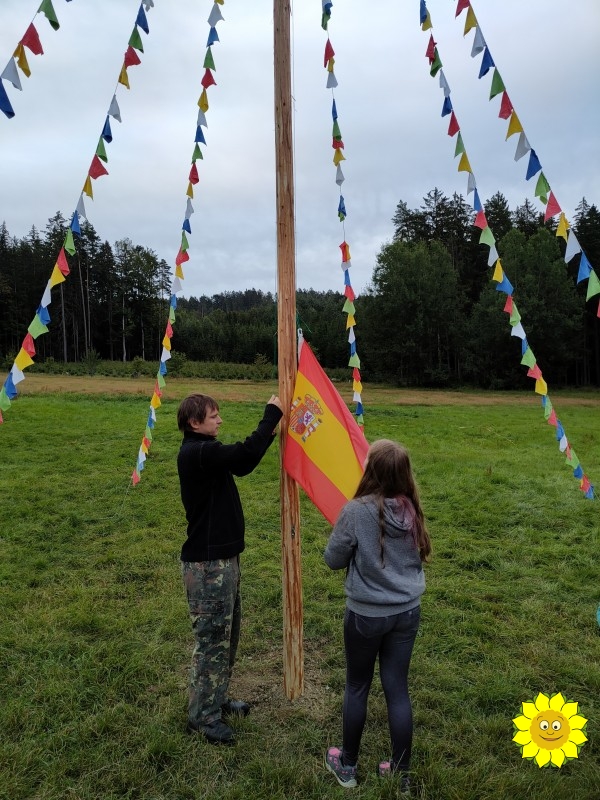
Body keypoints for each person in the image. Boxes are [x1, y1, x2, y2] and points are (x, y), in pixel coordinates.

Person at [323, 439, 431, 793]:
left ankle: (347, 765)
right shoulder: (412, 508)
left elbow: (333, 559)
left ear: (371, 470)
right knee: (397, 689)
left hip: (365, 616)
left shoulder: (355, 511)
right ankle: (401, 775)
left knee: (357, 685)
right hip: (407, 612)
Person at [176, 392, 283, 745]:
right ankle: (203, 718)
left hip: (223, 562)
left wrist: (271, 428)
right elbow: (243, 456)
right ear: (194, 423)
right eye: (214, 416)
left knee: (226, 638)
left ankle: (216, 699)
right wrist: (271, 415)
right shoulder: (198, 452)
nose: (220, 420)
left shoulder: (205, 452)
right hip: (209, 567)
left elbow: (242, 462)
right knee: (212, 642)